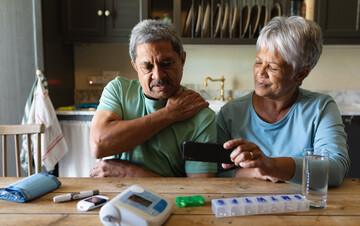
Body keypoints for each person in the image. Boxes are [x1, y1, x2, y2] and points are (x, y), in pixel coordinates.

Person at [216, 16, 350, 187]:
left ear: (300, 74)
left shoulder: (321, 108)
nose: (260, 73)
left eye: (272, 67)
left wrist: (271, 165)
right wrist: (257, 171)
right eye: (258, 62)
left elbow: (335, 169)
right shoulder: (230, 113)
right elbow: (215, 173)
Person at [89, 19, 217, 178]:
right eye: (147, 67)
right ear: (135, 66)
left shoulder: (202, 116)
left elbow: (200, 190)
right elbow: (99, 145)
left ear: (182, 60)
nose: (158, 75)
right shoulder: (119, 90)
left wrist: (129, 173)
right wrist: (169, 114)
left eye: (166, 63)